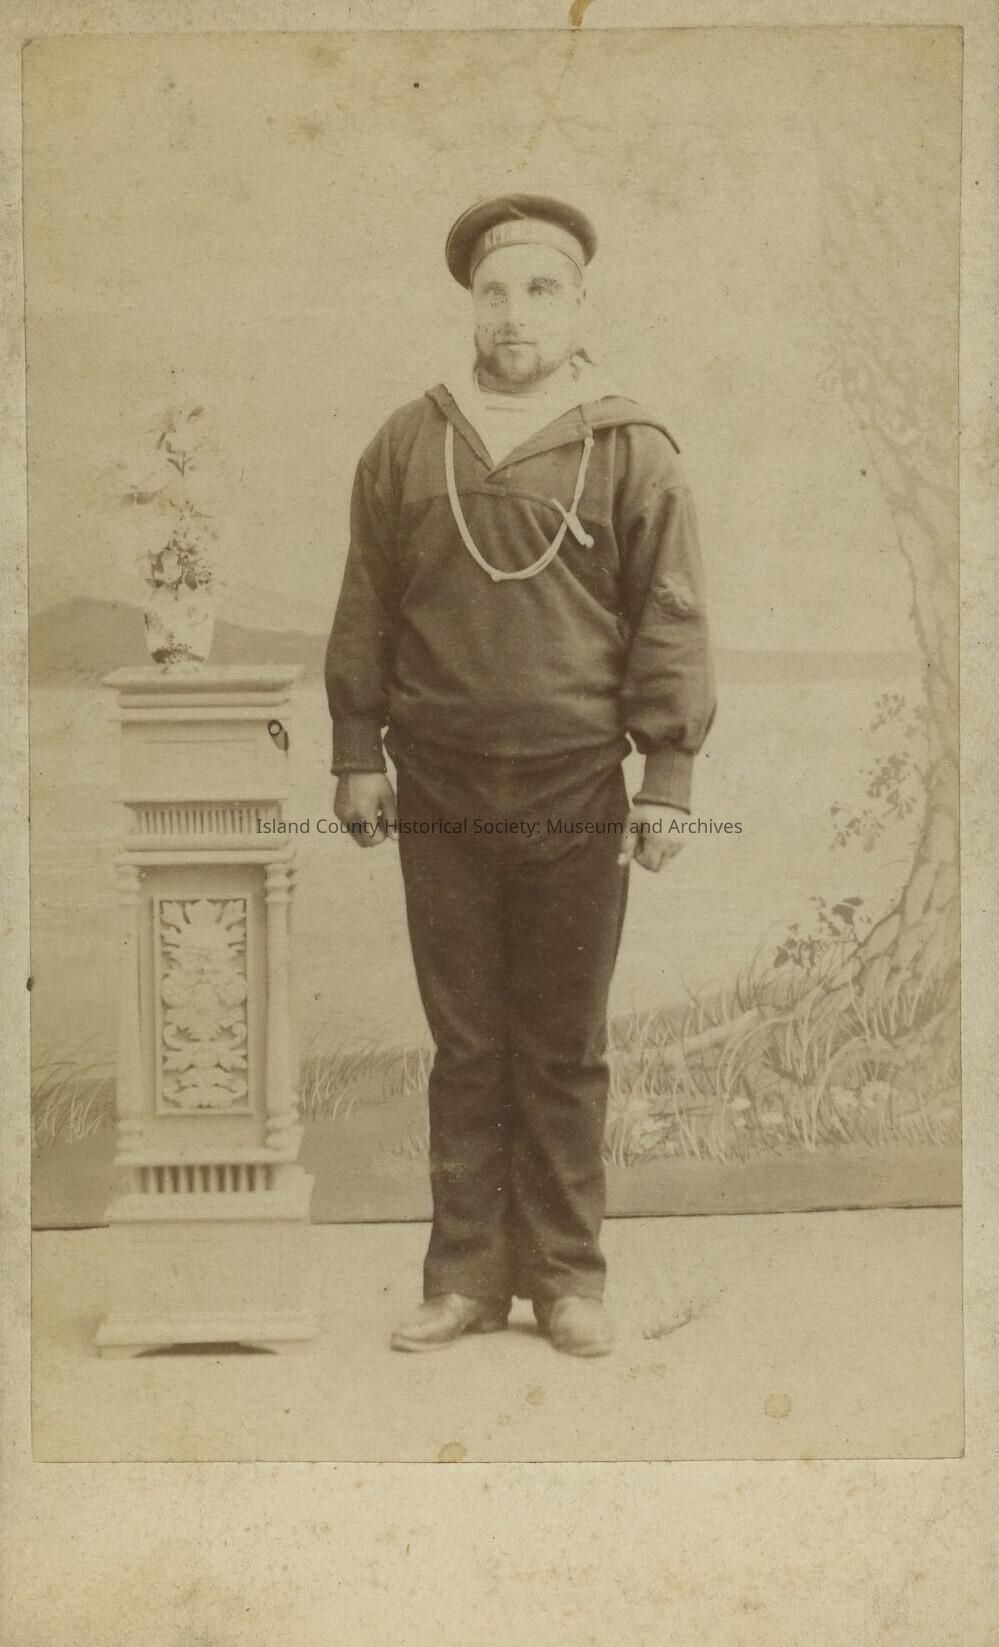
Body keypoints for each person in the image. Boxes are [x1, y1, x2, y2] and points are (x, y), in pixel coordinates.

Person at [325, 193, 715, 1357]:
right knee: (466, 1045)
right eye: (494, 291)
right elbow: (366, 603)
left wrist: (670, 775)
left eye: (541, 290)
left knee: (562, 1043)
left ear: (578, 303)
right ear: (470, 304)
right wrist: (355, 751)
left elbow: (672, 614)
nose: (515, 314)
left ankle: (567, 1280)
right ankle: (464, 1279)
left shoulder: (631, 446)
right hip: (438, 786)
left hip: (574, 789)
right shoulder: (410, 443)